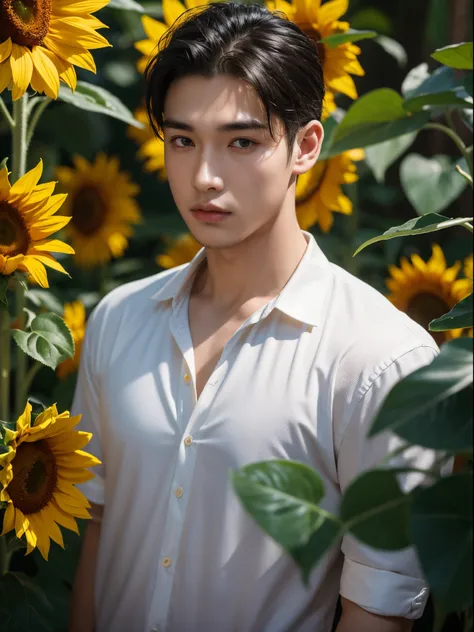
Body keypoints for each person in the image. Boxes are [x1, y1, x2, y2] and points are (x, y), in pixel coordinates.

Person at [68, 3, 440, 632]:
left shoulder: (380, 360)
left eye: (242, 142)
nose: (204, 178)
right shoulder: (116, 322)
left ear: (307, 145)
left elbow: (378, 611)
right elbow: (98, 541)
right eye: (183, 140)